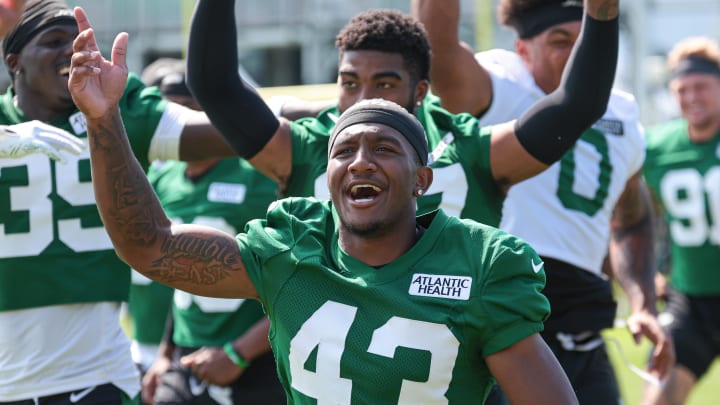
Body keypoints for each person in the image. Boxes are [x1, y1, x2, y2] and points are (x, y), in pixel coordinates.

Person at [68, 15, 580, 400]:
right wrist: (103, 120)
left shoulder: (480, 264)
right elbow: (149, 245)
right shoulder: (292, 248)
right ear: (325, 176)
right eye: (343, 152)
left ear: (423, 179)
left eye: (383, 149)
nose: (359, 163)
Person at [412, 0, 674, 403]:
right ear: (522, 50)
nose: (575, 53)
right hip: (499, 309)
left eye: (582, 40)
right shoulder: (501, 86)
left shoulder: (622, 112)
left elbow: (631, 217)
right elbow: (437, 50)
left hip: (582, 325)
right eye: (559, 41)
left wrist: (642, 302)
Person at [186, 0, 616, 231]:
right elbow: (216, 87)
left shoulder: (466, 151)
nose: (364, 99)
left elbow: (577, 105)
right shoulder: (306, 149)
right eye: (350, 83)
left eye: (385, 84)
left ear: (421, 91)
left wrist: (600, 11)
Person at [0, 0, 245, 402]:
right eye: (54, 41)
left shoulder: (116, 112)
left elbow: (238, 131)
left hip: (98, 375)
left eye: (79, 42)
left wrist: (339, 118)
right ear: (15, 61)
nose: (71, 52)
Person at [130, 64, 285, 405]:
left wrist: (239, 352)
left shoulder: (259, 175)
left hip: (253, 357)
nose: (178, 128)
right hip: (185, 354)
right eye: (170, 115)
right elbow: (182, 272)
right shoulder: (162, 177)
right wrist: (165, 353)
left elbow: (294, 278)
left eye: (189, 113)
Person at [641, 36, 720, 405]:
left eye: (701, 87)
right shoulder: (657, 147)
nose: (691, 97)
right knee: (656, 400)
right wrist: (652, 269)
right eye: (682, 89)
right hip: (690, 301)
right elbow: (633, 215)